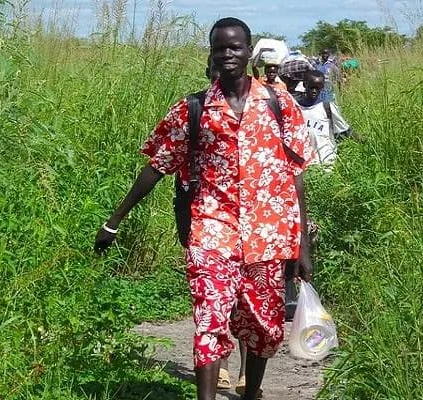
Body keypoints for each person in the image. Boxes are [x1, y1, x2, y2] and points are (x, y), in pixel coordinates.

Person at [94, 17, 313, 400]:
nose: (228, 54)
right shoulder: (192, 109)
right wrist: (114, 220)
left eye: (235, 47)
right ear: (210, 53)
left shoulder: (280, 105)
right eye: (220, 47)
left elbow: (295, 176)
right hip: (212, 228)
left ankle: (251, 391)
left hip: (269, 233)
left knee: (263, 327)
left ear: (249, 53)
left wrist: (303, 247)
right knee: (210, 320)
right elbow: (157, 166)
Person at [298, 70, 358, 166]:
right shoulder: (296, 108)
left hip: (326, 160)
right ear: (305, 85)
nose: (314, 91)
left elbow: (345, 129)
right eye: (311, 87)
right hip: (305, 161)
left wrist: (362, 140)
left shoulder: (327, 107)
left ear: (322, 87)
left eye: (317, 88)